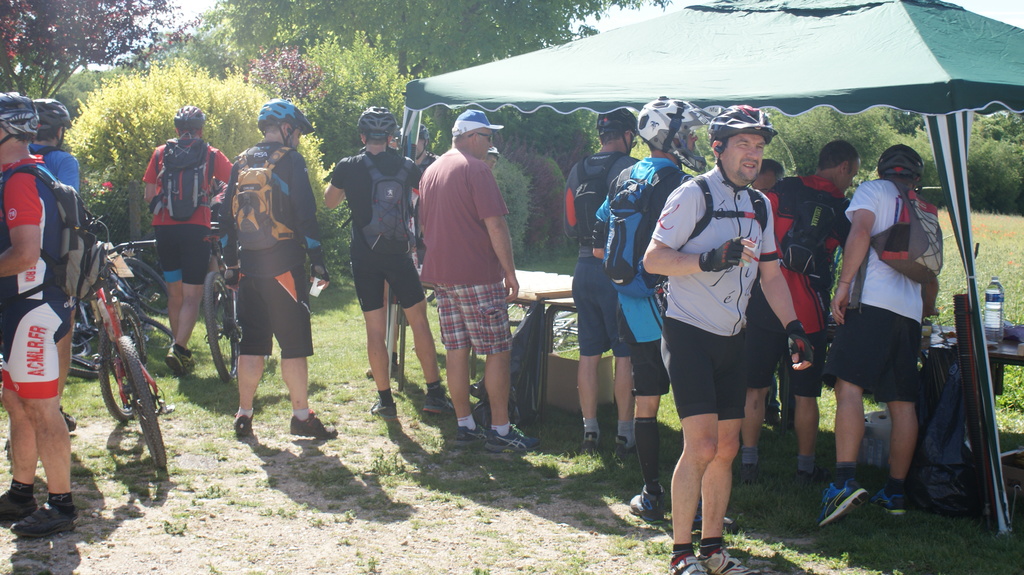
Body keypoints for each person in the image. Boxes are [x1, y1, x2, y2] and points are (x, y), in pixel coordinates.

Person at [644, 105, 811, 575]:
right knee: (700, 446)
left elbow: (772, 276)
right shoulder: (692, 195)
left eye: (758, 146)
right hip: (689, 332)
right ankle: (681, 552)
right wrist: (707, 260)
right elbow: (653, 259)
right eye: (743, 144)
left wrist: (794, 328)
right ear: (718, 148)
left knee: (727, 447)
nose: (753, 154)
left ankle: (713, 549)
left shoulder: (761, 204)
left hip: (733, 337)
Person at [594, 98, 711, 518]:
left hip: (631, 301)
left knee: (647, 400)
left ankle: (651, 494)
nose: (692, 139)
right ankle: (697, 504)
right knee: (693, 405)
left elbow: (600, 236)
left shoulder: (624, 175)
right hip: (675, 303)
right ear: (669, 135)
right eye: (688, 132)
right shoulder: (682, 184)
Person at [817, 144, 938, 526]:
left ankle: (843, 482)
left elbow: (860, 232)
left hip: (871, 304)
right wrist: (925, 309)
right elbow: (930, 272)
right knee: (902, 403)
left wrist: (844, 285)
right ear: (915, 176)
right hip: (909, 312)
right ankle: (895, 492)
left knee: (848, 388)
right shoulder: (923, 206)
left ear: (883, 169)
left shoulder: (873, 190)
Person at [740, 140, 861, 485]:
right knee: (806, 394)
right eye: (852, 174)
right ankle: (805, 469)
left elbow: (750, 228)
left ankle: (748, 464)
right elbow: (856, 251)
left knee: (755, 389)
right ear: (843, 167)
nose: (851, 181)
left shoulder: (783, 190)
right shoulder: (843, 207)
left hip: (765, 301)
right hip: (808, 311)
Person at [418, 109, 539, 452]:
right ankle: (501, 431)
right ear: (472, 136)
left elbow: (425, 226)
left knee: (456, 351)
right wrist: (510, 272)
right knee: (497, 351)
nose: (490, 143)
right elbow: (495, 223)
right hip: (477, 276)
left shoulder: (431, 171)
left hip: (442, 276)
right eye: (488, 137)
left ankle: (465, 426)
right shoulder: (477, 169)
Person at [324, 107, 452, 419]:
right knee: (419, 321)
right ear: (392, 136)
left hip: (364, 256)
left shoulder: (348, 166)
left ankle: (385, 401)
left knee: (374, 329)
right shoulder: (407, 165)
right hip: (399, 254)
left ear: (362, 136)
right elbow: (428, 198)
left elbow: (329, 202)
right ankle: (434, 394)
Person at [224, 99, 337, 440]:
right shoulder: (291, 161)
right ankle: (301, 417)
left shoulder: (240, 161)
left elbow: (225, 219)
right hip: (284, 266)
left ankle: (244, 415)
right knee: (294, 346)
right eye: (297, 132)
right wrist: (317, 260)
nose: (298, 139)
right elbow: (305, 214)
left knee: (251, 344)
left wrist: (231, 265)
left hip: (248, 267)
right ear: (286, 129)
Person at [0, 92, 78, 537]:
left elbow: (25, 254)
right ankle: (21, 492)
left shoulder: (19, 179)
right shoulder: (33, 171)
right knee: (16, 400)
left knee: (42, 407)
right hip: (28, 306)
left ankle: (62, 505)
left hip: (33, 307)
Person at [563, 108, 637, 455]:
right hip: (615, 271)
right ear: (627, 135)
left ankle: (589, 432)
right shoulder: (630, 168)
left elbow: (568, 224)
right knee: (625, 355)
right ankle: (625, 434)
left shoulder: (577, 169)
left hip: (582, 269)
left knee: (588, 354)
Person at [143, 106, 234, 376]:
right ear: (200, 130)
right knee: (192, 295)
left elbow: (149, 194)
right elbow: (235, 181)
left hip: (164, 230)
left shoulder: (161, 153)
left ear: (176, 129)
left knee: (175, 293)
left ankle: (178, 349)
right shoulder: (211, 153)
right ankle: (179, 348)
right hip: (196, 229)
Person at [31, 98, 80, 433]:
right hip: (55, 259)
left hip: (14, 256)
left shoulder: (13, 160)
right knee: (62, 332)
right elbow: (72, 208)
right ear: (59, 131)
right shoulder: (63, 160)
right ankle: (54, 408)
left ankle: (23, 414)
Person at [750, 158, 785, 427]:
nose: (766, 197)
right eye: (761, 190)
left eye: (771, 190)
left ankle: (774, 407)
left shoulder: (784, 212)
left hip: (776, 294)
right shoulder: (746, 206)